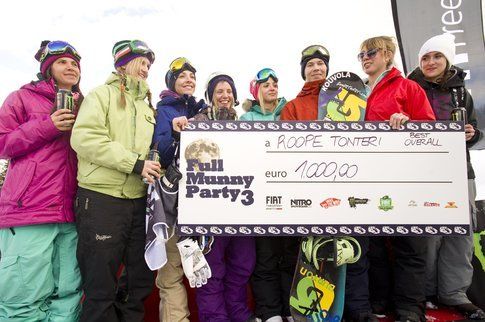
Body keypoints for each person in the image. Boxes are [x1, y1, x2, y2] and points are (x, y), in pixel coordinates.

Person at [282, 44, 377, 322]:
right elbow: (283, 148)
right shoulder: (293, 106)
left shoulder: (352, 98)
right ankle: (315, 307)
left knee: (352, 247)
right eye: (310, 65)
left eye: (320, 64)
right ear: (303, 72)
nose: (316, 69)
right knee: (316, 251)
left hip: (348, 185)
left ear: (327, 68)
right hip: (310, 189)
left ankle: (358, 310)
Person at [71, 40, 158, 322]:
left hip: (138, 202)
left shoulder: (147, 109)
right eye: (141, 62)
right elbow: (84, 138)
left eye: (148, 65)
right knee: (100, 286)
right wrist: (134, 164)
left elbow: (151, 154)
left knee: (139, 283)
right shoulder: (101, 96)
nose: (145, 69)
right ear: (123, 64)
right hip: (101, 199)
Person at [0, 40, 82, 321]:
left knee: (67, 295)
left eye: (74, 63)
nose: (70, 67)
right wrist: (48, 126)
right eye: (62, 62)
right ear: (47, 69)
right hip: (29, 211)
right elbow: (2, 142)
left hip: (70, 213)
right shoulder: (21, 98)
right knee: (23, 297)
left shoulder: (86, 104)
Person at [407, 33, 485, 320]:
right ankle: (427, 292)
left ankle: (455, 293)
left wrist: (473, 134)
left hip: (459, 172)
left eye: (436, 56)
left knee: (461, 233)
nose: (430, 62)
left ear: (447, 60)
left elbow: (476, 130)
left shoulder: (462, 93)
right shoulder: (409, 88)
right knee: (428, 234)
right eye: (425, 57)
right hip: (423, 174)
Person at [359, 36, 436, 322]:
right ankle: (380, 302)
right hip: (368, 178)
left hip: (404, 178)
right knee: (375, 245)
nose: (365, 57)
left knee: (409, 244)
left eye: (371, 52)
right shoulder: (356, 94)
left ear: (388, 55)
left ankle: (408, 308)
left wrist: (409, 123)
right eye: (361, 55)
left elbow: (430, 130)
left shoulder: (408, 87)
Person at [194, 72, 257, 322]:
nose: (225, 96)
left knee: (243, 264)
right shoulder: (197, 122)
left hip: (240, 208)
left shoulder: (243, 124)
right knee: (212, 269)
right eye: (219, 91)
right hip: (210, 211)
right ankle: (215, 317)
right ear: (210, 96)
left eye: (229, 91)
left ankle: (239, 313)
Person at [153, 57, 207, 322]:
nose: (189, 80)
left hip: (206, 199)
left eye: (192, 76)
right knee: (172, 272)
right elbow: (159, 154)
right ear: (172, 82)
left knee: (204, 269)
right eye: (182, 76)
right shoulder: (164, 109)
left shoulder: (203, 110)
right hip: (175, 202)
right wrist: (174, 136)